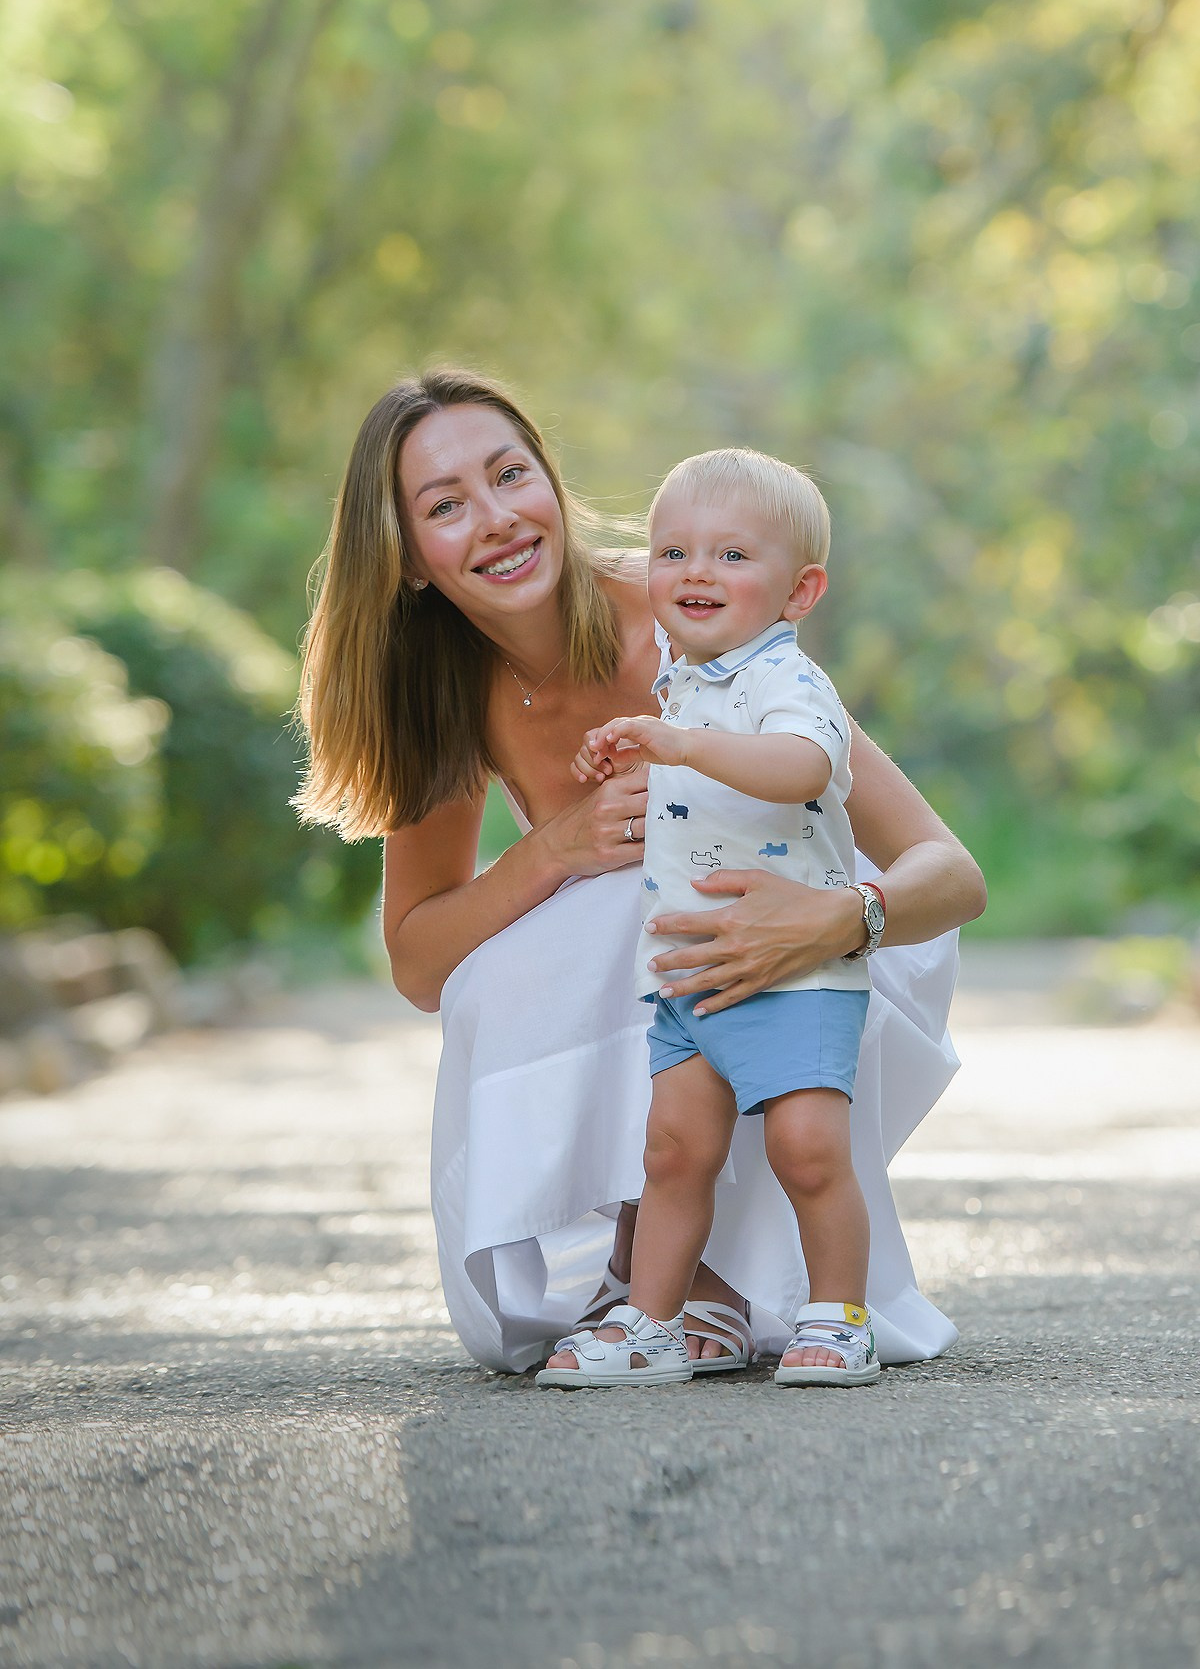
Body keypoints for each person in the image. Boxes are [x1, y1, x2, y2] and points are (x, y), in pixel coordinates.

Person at [294, 368, 987, 1375]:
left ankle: (730, 1279)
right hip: (677, 966)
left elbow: (950, 873)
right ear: (405, 559)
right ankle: (665, 1267)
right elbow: (421, 965)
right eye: (446, 506)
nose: (494, 519)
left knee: (649, 891)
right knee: (563, 928)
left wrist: (835, 917)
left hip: (834, 929)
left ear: (551, 482)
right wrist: (551, 850)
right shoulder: (443, 689)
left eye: (509, 474)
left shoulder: (686, 609)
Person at [540, 448, 882, 1389]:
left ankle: (839, 1316)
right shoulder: (683, 678)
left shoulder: (786, 683)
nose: (696, 572)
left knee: (807, 1149)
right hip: (690, 974)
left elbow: (801, 769)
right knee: (672, 1153)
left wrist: (684, 744)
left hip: (792, 968)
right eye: (673, 550)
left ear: (799, 591)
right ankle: (652, 1319)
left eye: (733, 556)